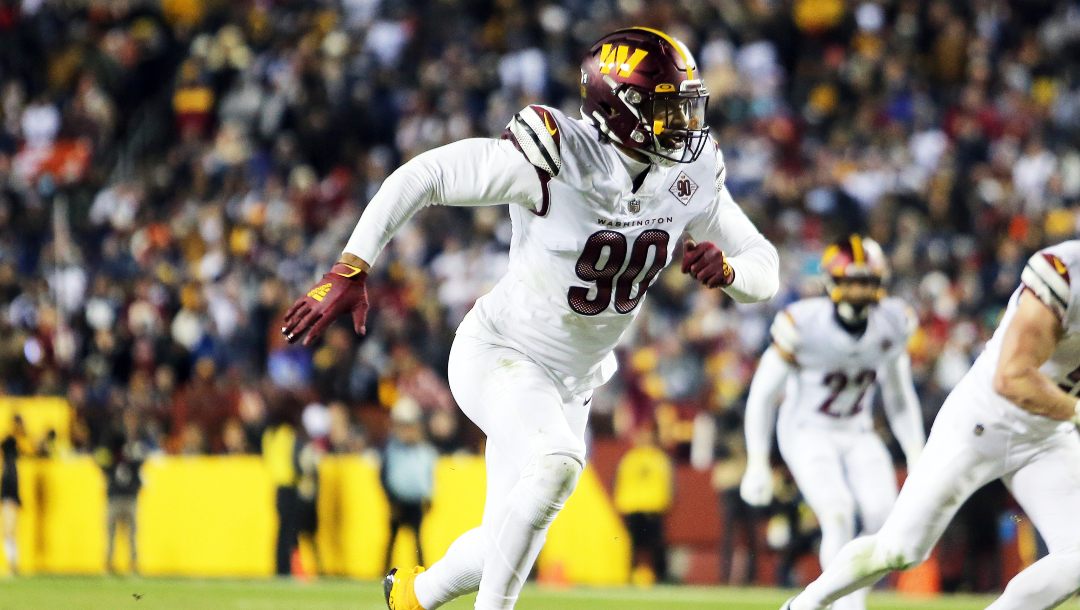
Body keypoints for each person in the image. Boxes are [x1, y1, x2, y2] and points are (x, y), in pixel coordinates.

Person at [281, 27, 779, 610]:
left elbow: (764, 266)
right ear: (620, 108)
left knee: (504, 543)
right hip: (502, 353)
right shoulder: (556, 155)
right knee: (556, 465)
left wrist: (730, 274)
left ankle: (414, 595)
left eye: (685, 106)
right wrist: (351, 265)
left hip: (574, 382)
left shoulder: (687, 177)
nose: (685, 124)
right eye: (667, 108)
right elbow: (427, 175)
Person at [781, 240, 1080, 610]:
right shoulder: (1066, 273)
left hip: (1049, 433)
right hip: (985, 420)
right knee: (899, 550)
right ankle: (804, 605)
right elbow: (1013, 378)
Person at [739, 235, 925, 610]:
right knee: (837, 511)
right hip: (806, 430)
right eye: (852, 280)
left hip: (857, 430)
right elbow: (761, 394)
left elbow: (899, 397)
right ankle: (840, 606)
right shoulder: (803, 323)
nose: (859, 290)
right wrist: (756, 460)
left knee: (883, 516)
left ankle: (849, 600)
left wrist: (917, 454)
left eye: (866, 281)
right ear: (832, 282)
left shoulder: (893, 321)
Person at [381, 397, 437, 572]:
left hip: (415, 501)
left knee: (418, 539)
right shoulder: (392, 450)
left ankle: (422, 571)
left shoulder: (425, 451)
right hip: (398, 500)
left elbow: (428, 476)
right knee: (392, 539)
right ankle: (383, 571)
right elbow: (385, 477)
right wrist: (391, 499)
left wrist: (428, 496)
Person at [613, 425, 673, 584]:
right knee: (633, 546)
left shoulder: (657, 458)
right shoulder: (632, 458)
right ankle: (630, 575)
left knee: (655, 546)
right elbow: (621, 482)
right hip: (634, 508)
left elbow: (667, 484)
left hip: (652, 508)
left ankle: (660, 575)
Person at [1, 432, 19, 576]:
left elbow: (11, 485)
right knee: (8, 534)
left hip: (9, 502)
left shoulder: (9, 464)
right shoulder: (12, 463)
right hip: (10, 501)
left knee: (8, 533)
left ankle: (12, 566)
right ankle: (12, 565)